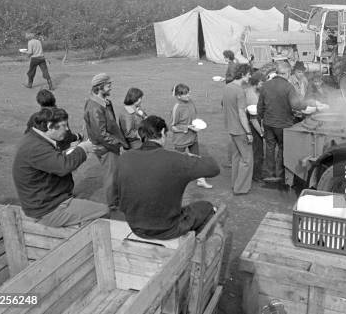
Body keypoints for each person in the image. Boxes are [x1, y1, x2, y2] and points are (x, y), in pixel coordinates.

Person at [116, 115, 220, 240]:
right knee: (207, 207)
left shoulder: (124, 158)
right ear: (163, 133)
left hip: (135, 225)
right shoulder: (176, 159)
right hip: (167, 228)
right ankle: (194, 249)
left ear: (140, 135)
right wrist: (191, 157)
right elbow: (214, 168)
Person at [12, 107, 108, 227]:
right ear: (50, 126)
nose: (67, 129)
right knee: (104, 211)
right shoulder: (36, 147)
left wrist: (72, 151)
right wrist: (83, 149)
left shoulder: (35, 139)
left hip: (45, 202)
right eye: (64, 125)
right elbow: (63, 166)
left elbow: (53, 161)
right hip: (48, 210)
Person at [257, 61, 309, 185]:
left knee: (269, 148)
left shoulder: (266, 85)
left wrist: (262, 119)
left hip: (268, 123)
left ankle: (269, 174)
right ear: (286, 73)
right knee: (282, 148)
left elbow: (260, 106)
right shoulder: (288, 86)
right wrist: (308, 104)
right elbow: (296, 105)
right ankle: (280, 175)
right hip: (283, 124)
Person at [83, 73, 129, 209]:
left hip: (108, 145)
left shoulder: (103, 102)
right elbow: (101, 134)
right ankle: (113, 204)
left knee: (115, 173)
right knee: (112, 175)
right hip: (106, 147)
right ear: (100, 87)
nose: (111, 88)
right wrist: (118, 145)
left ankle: (116, 199)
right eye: (109, 85)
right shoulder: (95, 107)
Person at [170, 83, 212, 189]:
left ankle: (201, 180)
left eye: (188, 92)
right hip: (181, 140)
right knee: (178, 162)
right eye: (185, 94)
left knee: (197, 159)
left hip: (193, 137)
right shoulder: (177, 108)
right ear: (178, 96)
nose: (188, 95)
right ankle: (174, 182)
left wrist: (196, 124)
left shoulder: (191, 102)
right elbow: (173, 127)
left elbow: (193, 117)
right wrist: (187, 127)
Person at [222, 64, 254, 194]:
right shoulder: (240, 91)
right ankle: (240, 188)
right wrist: (248, 132)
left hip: (230, 127)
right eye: (248, 74)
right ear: (242, 74)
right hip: (240, 130)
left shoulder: (227, 87)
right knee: (247, 159)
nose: (250, 76)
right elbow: (242, 113)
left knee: (236, 157)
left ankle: (235, 184)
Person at [245, 71, 266, 182]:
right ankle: (256, 175)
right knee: (258, 152)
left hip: (252, 122)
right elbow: (253, 119)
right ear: (256, 82)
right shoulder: (252, 96)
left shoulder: (250, 91)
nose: (263, 85)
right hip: (253, 126)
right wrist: (261, 133)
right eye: (262, 83)